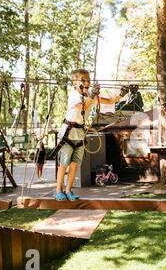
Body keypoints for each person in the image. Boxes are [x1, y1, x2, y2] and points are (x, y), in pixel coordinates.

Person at [54, 69, 129, 201]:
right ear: (75, 83)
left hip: (80, 134)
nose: (87, 82)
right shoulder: (74, 95)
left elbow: (110, 101)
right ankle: (58, 190)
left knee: (74, 164)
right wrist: (92, 95)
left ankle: (68, 190)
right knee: (64, 163)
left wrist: (121, 95)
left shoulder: (91, 96)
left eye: (88, 79)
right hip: (69, 133)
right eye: (83, 80)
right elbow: (82, 107)